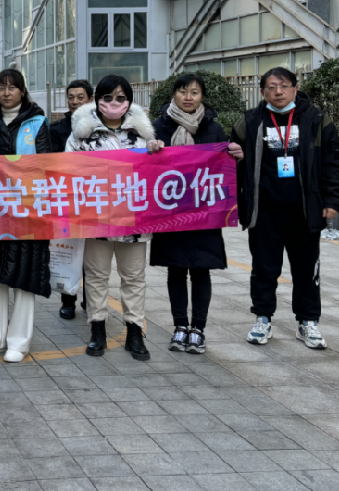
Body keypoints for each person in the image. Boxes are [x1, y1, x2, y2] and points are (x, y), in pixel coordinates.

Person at [229, 67, 339, 349]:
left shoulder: (316, 120)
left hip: (304, 212)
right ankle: (262, 318)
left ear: (295, 88)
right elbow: (230, 163)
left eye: (284, 86)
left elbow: (334, 162)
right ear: (262, 92)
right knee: (264, 269)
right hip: (264, 212)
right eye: (271, 87)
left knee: (306, 271)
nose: (278, 92)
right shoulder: (250, 121)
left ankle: (308, 322)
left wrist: (334, 199)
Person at [66, 75, 157, 361]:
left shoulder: (143, 133)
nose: (114, 103)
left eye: (120, 98)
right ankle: (97, 329)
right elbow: (67, 171)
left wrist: (157, 152)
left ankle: (134, 331)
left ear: (129, 101)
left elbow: (156, 174)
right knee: (96, 276)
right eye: (107, 98)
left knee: (134, 277)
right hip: (96, 219)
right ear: (97, 100)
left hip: (135, 220)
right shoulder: (81, 134)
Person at [0, 70, 52, 362]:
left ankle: (19, 342)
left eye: (12, 87)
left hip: (27, 210)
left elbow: (46, 164)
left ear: (22, 91)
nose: (6, 92)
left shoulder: (38, 121)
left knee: (24, 274)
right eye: (1, 87)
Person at [148, 75, 228, 355]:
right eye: (183, 91)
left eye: (195, 92)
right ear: (174, 94)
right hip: (170, 211)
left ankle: (198, 329)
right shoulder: (157, 127)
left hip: (204, 211)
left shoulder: (213, 129)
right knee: (176, 269)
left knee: (201, 270)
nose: (189, 97)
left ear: (202, 96)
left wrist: (235, 156)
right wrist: (150, 151)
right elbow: (143, 168)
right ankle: (180, 326)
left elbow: (224, 170)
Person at [48, 79, 94, 320]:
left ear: (91, 99)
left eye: (80, 97)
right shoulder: (57, 129)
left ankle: (91, 299)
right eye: (71, 97)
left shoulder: (100, 127)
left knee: (93, 255)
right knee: (69, 252)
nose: (74, 102)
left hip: (94, 199)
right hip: (66, 199)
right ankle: (68, 300)